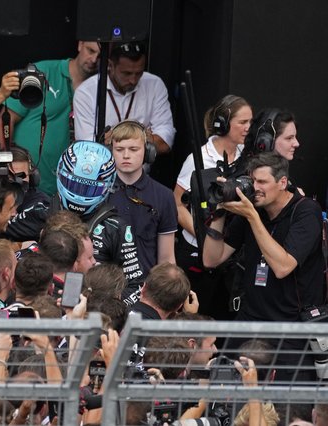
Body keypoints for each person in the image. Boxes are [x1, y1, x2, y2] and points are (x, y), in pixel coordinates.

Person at [202, 152, 325, 382]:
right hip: (251, 317)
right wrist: (219, 212)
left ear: (282, 182)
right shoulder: (254, 210)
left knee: (284, 407)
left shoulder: (306, 211)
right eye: (252, 180)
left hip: (290, 326)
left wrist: (251, 217)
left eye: (262, 182)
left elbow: (283, 266)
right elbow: (211, 259)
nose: (255, 188)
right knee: (229, 389)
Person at [173, 94, 252, 318]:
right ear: (224, 124)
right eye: (242, 122)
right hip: (196, 254)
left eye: (250, 122)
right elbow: (177, 204)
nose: (248, 128)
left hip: (230, 257)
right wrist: (202, 234)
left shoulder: (247, 159)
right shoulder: (197, 159)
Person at [0, 41, 100, 195]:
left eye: (100, 55)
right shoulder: (44, 71)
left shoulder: (103, 87)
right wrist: (6, 161)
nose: (94, 59)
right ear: (80, 44)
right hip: (22, 182)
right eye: (90, 50)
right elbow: (5, 119)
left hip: (66, 188)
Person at [53, 140, 144, 290]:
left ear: (108, 186)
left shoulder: (116, 228)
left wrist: (105, 307)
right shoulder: (42, 210)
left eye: (89, 190)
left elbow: (135, 286)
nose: (79, 196)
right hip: (48, 307)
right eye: (75, 185)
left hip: (96, 308)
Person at [73, 41, 175, 155]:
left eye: (139, 73)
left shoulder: (154, 84)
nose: (133, 80)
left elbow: (166, 141)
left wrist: (110, 139)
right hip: (101, 172)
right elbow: (88, 148)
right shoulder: (86, 92)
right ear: (110, 65)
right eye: (126, 73)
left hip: (141, 172)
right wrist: (143, 137)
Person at [106, 120, 178, 273]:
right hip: (103, 289)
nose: (126, 155)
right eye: (119, 149)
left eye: (133, 149)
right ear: (110, 151)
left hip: (145, 290)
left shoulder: (164, 196)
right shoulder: (97, 192)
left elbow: (166, 259)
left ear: (148, 152)